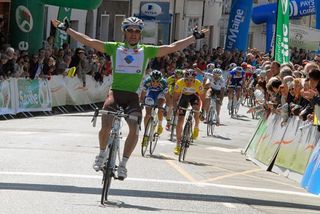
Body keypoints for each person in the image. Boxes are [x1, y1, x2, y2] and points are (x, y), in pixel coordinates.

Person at [52, 17, 208, 179]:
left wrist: (193, 38)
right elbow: (90, 41)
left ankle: (124, 164)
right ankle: (101, 154)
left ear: (140, 34)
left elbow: (171, 47)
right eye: (130, 30)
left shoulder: (146, 50)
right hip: (115, 94)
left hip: (132, 97)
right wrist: (67, 30)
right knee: (105, 125)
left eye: (137, 31)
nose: (133, 34)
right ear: (124, 33)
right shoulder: (115, 48)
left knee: (134, 129)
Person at [173, 69, 204, 155]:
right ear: (184, 78)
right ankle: (178, 145)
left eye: (191, 80)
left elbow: (202, 97)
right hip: (184, 98)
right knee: (180, 121)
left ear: (194, 79)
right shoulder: (179, 83)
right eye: (187, 79)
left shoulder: (198, 83)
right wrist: (175, 108)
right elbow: (175, 98)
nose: (189, 82)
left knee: (196, 111)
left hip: (194, 97)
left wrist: (203, 110)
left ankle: (196, 126)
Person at [140, 70, 168, 136]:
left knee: (160, 107)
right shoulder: (147, 82)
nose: (155, 83)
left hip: (160, 93)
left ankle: (160, 124)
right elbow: (142, 95)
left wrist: (166, 107)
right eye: (153, 81)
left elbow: (168, 97)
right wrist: (142, 103)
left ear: (160, 80)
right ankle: (146, 132)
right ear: (150, 79)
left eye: (157, 82)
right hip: (151, 93)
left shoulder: (164, 83)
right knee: (148, 114)